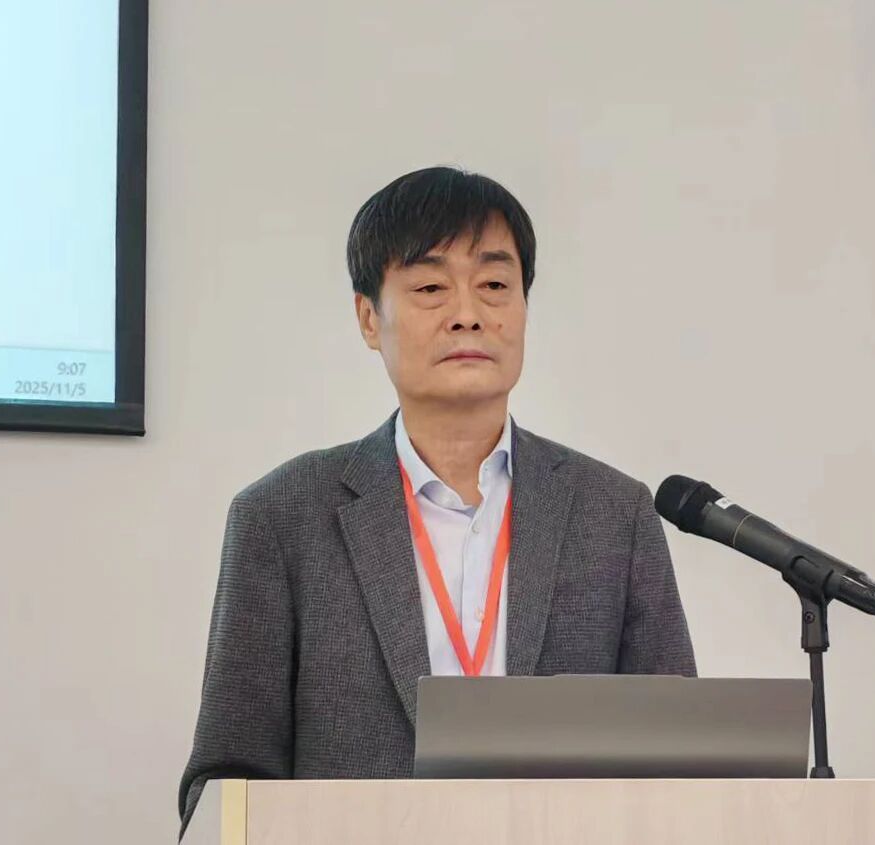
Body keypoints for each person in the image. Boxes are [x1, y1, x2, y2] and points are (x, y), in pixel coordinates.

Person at [178, 166, 695, 835]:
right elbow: (227, 779)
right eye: (429, 288)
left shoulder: (614, 513)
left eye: (494, 286)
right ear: (369, 318)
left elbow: (682, 767)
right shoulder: (281, 517)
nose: (468, 313)